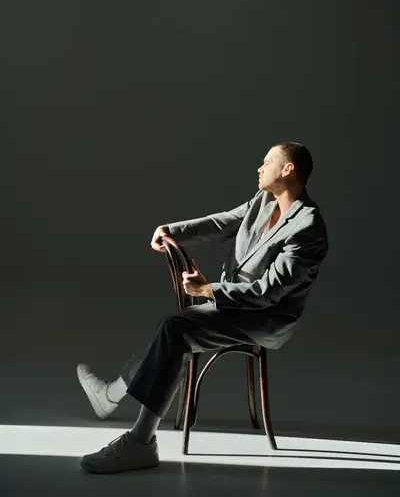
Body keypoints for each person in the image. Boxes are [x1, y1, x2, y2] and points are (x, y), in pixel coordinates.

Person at [77, 141, 328, 474]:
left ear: (287, 169)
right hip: (233, 305)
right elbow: (223, 222)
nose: (259, 168)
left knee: (175, 329)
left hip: (265, 319)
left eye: (266, 162)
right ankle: (110, 397)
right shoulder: (264, 200)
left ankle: (139, 441)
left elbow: (269, 294)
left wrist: (209, 289)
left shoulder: (307, 227)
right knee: (174, 329)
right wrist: (172, 231)